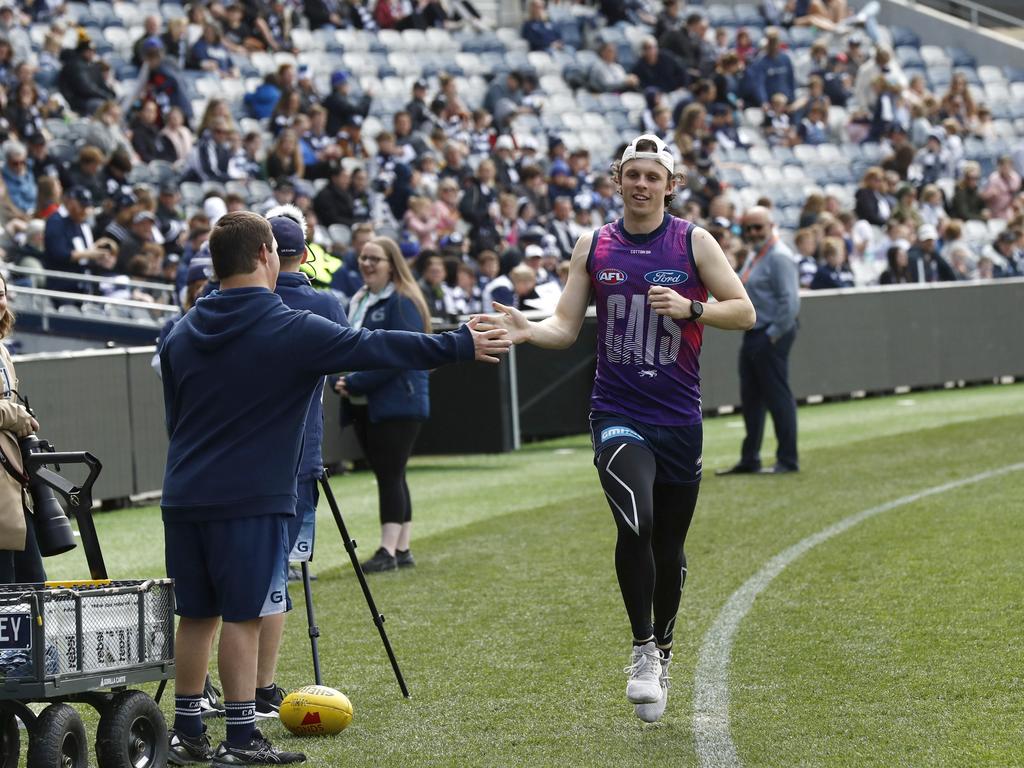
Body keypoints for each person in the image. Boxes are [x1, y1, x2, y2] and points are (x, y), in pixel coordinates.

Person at [160, 211, 509, 765]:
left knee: (196, 614)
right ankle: (242, 737)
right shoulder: (289, 327)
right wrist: (458, 346)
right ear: (264, 256)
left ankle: (185, 734)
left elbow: (174, 417)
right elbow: (377, 346)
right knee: (244, 616)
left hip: (183, 494)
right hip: (251, 496)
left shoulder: (181, 331)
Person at [478, 134, 755, 723]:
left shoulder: (693, 241)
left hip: (679, 417)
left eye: (653, 176)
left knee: (670, 545)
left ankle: (666, 646)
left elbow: (745, 310)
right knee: (639, 518)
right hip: (617, 412)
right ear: (617, 180)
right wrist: (529, 330)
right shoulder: (594, 244)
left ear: (669, 186)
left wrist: (693, 309)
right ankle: (642, 648)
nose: (641, 185)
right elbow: (564, 326)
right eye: (632, 174)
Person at [250, 204, 349, 718]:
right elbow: (348, 360)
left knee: (233, 577)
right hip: (301, 458)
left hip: (243, 458)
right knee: (277, 578)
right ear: (305, 254)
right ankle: (262, 686)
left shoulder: (234, 301)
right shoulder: (325, 303)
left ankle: (221, 692)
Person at [332, 236, 437, 573]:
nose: (366, 263)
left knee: (389, 474)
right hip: (371, 401)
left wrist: (355, 381)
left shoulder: (401, 301)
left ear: (392, 264)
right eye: (362, 257)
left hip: (397, 400)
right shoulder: (361, 298)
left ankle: (387, 550)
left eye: (374, 258)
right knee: (392, 473)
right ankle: (401, 548)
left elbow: (400, 355)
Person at [717, 205, 800, 476]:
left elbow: (790, 301)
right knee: (751, 398)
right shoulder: (757, 254)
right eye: (748, 228)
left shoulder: (779, 257)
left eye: (758, 227)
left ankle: (787, 459)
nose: (753, 233)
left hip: (769, 333)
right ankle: (749, 458)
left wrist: (773, 334)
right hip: (756, 333)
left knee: (777, 397)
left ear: (771, 226)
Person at [0, 273, 45, 585]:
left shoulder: (3, 350)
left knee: (32, 587)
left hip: (12, 481)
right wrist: (15, 414)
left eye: (0, 294)